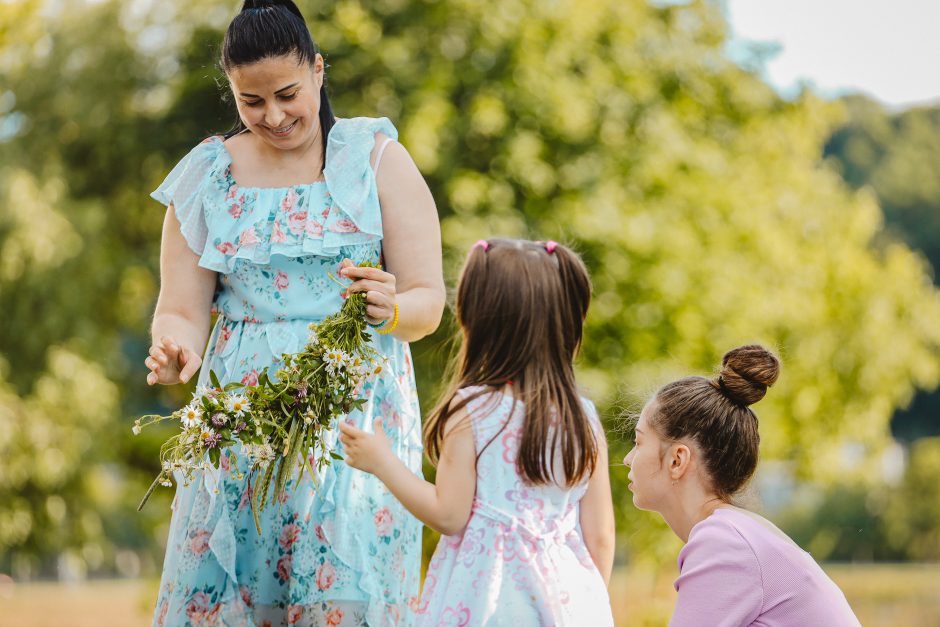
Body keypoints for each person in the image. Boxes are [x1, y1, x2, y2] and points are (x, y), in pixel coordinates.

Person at [143, 1, 444, 624]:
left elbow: (428, 302)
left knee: (339, 596)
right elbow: (179, 308)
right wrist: (175, 347)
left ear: (318, 71)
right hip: (241, 424)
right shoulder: (207, 175)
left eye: (287, 94)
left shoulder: (376, 159)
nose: (273, 116)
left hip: (354, 423)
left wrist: (391, 308)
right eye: (251, 102)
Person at [339, 238, 617, 626]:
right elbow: (601, 534)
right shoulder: (583, 417)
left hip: (487, 599)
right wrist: (587, 602)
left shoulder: (474, 410)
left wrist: (382, 462)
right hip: (567, 601)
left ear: (480, 321)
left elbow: (448, 514)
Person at [624, 345, 862, 626]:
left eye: (638, 443)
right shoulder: (735, 533)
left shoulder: (723, 542)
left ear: (678, 459)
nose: (628, 459)